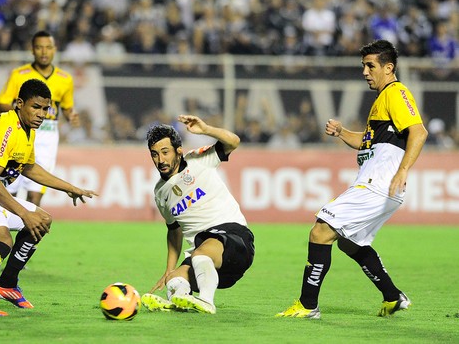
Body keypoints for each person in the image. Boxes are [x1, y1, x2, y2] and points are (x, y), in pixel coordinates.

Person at [276, 39, 428, 319]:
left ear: (389, 67)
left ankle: (308, 305)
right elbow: (367, 141)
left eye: (371, 66)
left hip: (379, 184)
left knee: (321, 231)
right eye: (363, 66)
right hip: (379, 185)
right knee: (350, 242)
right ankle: (393, 297)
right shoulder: (382, 99)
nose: (365, 72)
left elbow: (418, 132)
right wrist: (343, 132)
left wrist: (403, 170)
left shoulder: (396, 92)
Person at [0, 79, 97, 316]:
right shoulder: (7, 126)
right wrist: (23, 212)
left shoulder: (27, 130)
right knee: (2, 240)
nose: (42, 114)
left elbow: (29, 168)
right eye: (36, 107)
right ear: (20, 103)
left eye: (46, 109)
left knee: (42, 219)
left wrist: (70, 187)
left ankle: (7, 284)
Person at [141, 115, 255, 314]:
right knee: (175, 280)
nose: (160, 160)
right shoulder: (160, 192)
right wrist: (169, 270)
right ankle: (179, 302)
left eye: (165, 152)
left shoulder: (199, 160)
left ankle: (206, 301)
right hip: (206, 260)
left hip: (235, 239)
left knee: (202, 251)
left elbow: (234, 141)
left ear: (178, 151)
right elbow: (173, 231)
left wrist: (206, 130)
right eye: (154, 154)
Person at [0, 30, 78, 208]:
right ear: (32, 50)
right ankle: (3, 232)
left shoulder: (65, 79)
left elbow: (66, 106)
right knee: (11, 191)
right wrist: (25, 112)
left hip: (47, 137)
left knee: (35, 195)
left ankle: (26, 235)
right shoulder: (19, 74)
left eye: (48, 47)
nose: (43, 52)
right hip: (21, 132)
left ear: (54, 50)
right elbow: (1, 104)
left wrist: (71, 115)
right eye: (39, 47)